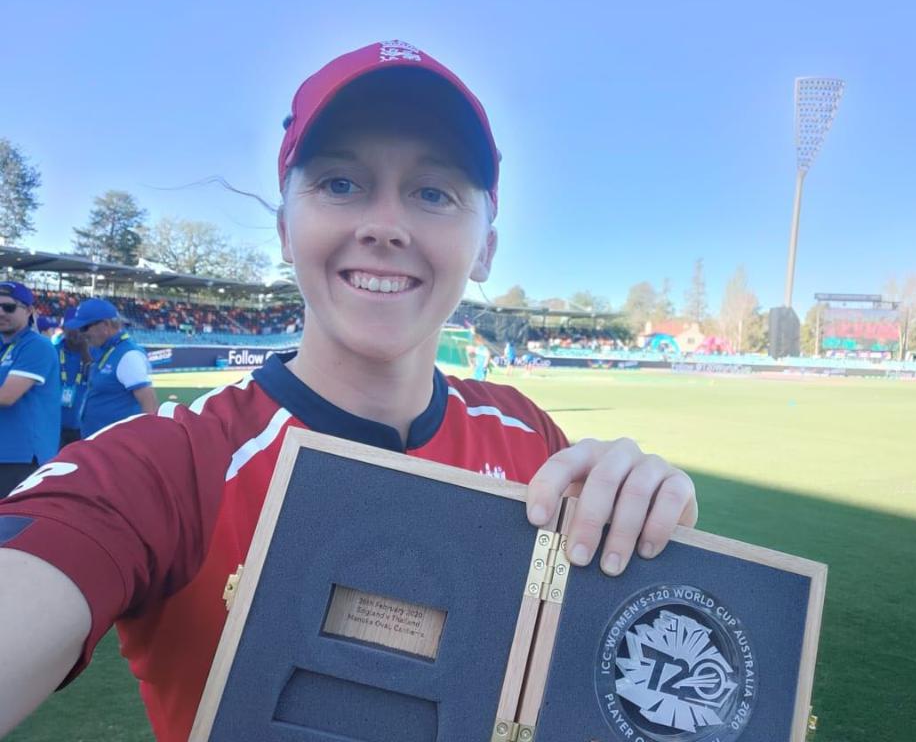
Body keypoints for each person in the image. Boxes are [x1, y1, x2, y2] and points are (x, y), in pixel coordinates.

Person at [0, 41, 697, 740]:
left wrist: (647, 541)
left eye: (433, 192)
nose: (385, 226)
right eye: (339, 183)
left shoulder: (530, 438)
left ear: (485, 247)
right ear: (283, 230)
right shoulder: (173, 465)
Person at [0, 282, 60, 498]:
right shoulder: (4, 346)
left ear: (29, 311)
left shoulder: (37, 346)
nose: (1, 312)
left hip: (20, 457)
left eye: (9, 307)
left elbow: (7, 397)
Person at [66, 298, 158, 437]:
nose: (82, 333)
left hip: (116, 447)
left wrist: (149, 439)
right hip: (97, 443)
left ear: (105, 325)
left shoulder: (128, 355)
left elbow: (148, 401)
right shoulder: (105, 350)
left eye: (84, 327)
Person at [54, 307, 91, 448]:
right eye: (71, 328)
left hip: (84, 429)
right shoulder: (52, 352)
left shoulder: (96, 355)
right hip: (53, 426)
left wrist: (87, 355)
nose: (75, 332)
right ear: (63, 328)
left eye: (80, 328)